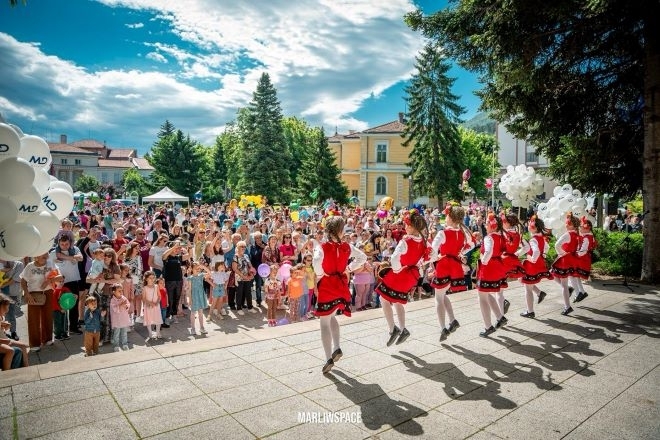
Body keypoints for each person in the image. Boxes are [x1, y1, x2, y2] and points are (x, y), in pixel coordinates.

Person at [312, 216, 366, 373]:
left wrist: (320, 274)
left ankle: (328, 357)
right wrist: (348, 268)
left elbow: (316, 261)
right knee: (332, 316)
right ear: (341, 231)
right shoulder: (347, 246)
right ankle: (337, 347)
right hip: (340, 285)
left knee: (324, 321)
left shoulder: (322, 247)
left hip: (327, 285)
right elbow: (362, 257)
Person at [375, 209, 428, 347]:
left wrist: (397, 270)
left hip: (399, 274)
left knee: (383, 298)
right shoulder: (423, 241)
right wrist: (419, 263)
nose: (405, 226)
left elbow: (394, 258)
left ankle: (393, 329)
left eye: (406, 224)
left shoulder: (405, 241)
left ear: (411, 227)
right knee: (397, 301)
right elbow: (430, 255)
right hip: (411, 276)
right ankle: (403, 328)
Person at [429, 204, 473, 341]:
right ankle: (452, 320)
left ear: (451, 218)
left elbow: (432, 250)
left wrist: (434, 259)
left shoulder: (443, 233)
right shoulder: (462, 233)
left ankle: (443, 328)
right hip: (455, 267)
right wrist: (459, 252)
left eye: (446, 215)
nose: (445, 217)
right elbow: (471, 244)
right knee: (442, 294)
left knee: (438, 297)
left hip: (444, 266)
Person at [20, 253, 63, 351]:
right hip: (34, 294)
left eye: (46, 254)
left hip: (48, 292)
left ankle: (47, 339)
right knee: (33, 319)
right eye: (43, 254)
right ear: (36, 256)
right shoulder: (30, 266)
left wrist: (49, 281)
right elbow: (23, 281)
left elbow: (60, 277)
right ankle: (35, 344)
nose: (46, 256)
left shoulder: (50, 263)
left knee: (48, 316)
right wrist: (26, 293)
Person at [476, 212, 508, 337]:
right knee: (487, 293)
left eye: (487, 223)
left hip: (488, 268)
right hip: (497, 267)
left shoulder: (488, 237)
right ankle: (500, 317)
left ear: (492, 226)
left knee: (482, 297)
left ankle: (488, 326)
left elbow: (488, 251)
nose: (486, 225)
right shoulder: (500, 236)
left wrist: (483, 260)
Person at [520, 215, 553, 318]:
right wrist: (543, 256)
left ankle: (530, 311)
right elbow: (547, 247)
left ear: (535, 228)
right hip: (537, 264)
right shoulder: (541, 238)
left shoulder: (533, 239)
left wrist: (532, 259)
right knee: (525, 283)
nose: (529, 226)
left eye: (531, 225)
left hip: (531, 265)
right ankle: (539, 293)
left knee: (527, 288)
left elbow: (536, 251)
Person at [551, 212, 581, 315]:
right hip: (572, 259)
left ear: (572, 225)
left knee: (563, 283)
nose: (566, 225)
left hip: (565, 259)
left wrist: (561, 254)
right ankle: (568, 290)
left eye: (568, 223)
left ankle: (567, 307)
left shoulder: (568, 234)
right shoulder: (577, 234)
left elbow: (557, 245)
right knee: (553, 274)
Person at [572, 216, 597, 303]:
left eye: (581, 227)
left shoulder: (587, 237)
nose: (579, 228)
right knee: (576, 276)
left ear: (587, 228)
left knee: (574, 275)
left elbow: (583, 251)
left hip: (582, 259)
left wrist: (575, 254)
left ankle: (579, 292)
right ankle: (581, 292)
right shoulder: (587, 236)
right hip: (583, 258)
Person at [0, 294, 29, 369]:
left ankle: (26, 368)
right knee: (10, 351)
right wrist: (6, 341)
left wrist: (4, 327)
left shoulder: (2, 316)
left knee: (23, 346)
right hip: (2, 341)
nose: (7, 310)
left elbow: (1, 329)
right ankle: (7, 372)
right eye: (5, 308)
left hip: (4, 340)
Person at [0, 259, 24, 341]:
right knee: (1, 312)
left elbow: (15, 279)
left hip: (12, 292)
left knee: (11, 312)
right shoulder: (1, 263)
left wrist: (3, 285)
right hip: (1, 294)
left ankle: (13, 332)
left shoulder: (19, 264)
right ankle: (2, 332)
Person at [187, 263, 209, 335]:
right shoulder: (190, 278)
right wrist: (190, 299)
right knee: (193, 313)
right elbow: (189, 290)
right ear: (192, 269)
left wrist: (203, 267)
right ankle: (193, 328)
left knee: (200, 312)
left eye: (199, 268)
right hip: (194, 296)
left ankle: (202, 327)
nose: (198, 270)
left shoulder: (201, 276)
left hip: (200, 296)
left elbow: (210, 273)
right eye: (196, 268)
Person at [109, 283, 131, 351]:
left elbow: (128, 304)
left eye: (122, 290)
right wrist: (121, 305)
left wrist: (126, 306)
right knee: (116, 333)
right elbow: (115, 309)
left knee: (124, 333)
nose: (121, 292)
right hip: (117, 320)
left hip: (123, 318)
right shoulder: (112, 300)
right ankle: (116, 345)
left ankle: (125, 344)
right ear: (114, 292)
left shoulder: (124, 298)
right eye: (119, 291)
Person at [141, 271, 163, 340]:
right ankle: (150, 333)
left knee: (158, 319)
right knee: (148, 319)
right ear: (146, 279)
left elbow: (159, 296)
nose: (152, 279)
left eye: (153, 278)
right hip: (148, 306)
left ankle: (158, 332)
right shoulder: (145, 288)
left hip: (156, 306)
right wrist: (150, 303)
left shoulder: (156, 286)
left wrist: (156, 302)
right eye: (150, 278)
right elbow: (143, 298)